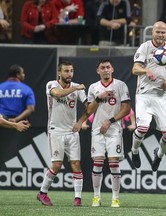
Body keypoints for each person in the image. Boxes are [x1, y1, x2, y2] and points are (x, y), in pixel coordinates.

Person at [73, 58, 131, 208]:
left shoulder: (120, 85)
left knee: (113, 164)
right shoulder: (93, 87)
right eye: (102, 68)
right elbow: (90, 109)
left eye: (108, 67)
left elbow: (126, 109)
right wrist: (99, 98)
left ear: (113, 69)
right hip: (97, 131)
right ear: (97, 71)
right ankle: (96, 197)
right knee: (97, 164)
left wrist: (110, 121)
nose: (105, 70)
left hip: (114, 130)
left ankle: (115, 198)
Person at [130, 21, 166, 172]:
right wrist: (146, 71)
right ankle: (135, 151)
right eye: (158, 32)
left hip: (161, 97)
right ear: (153, 32)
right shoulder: (145, 47)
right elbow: (135, 69)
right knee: (142, 128)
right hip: (144, 95)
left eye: (163, 32)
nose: (160, 35)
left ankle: (159, 155)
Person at [37, 60, 87, 207]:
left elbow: (89, 107)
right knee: (57, 165)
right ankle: (42, 192)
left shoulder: (78, 89)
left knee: (76, 164)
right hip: (56, 131)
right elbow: (58, 93)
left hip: (72, 132)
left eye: (71, 71)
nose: (69, 74)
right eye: (66, 71)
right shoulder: (51, 84)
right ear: (59, 72)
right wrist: (75, 88)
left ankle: (78, 199)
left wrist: (81, 121)